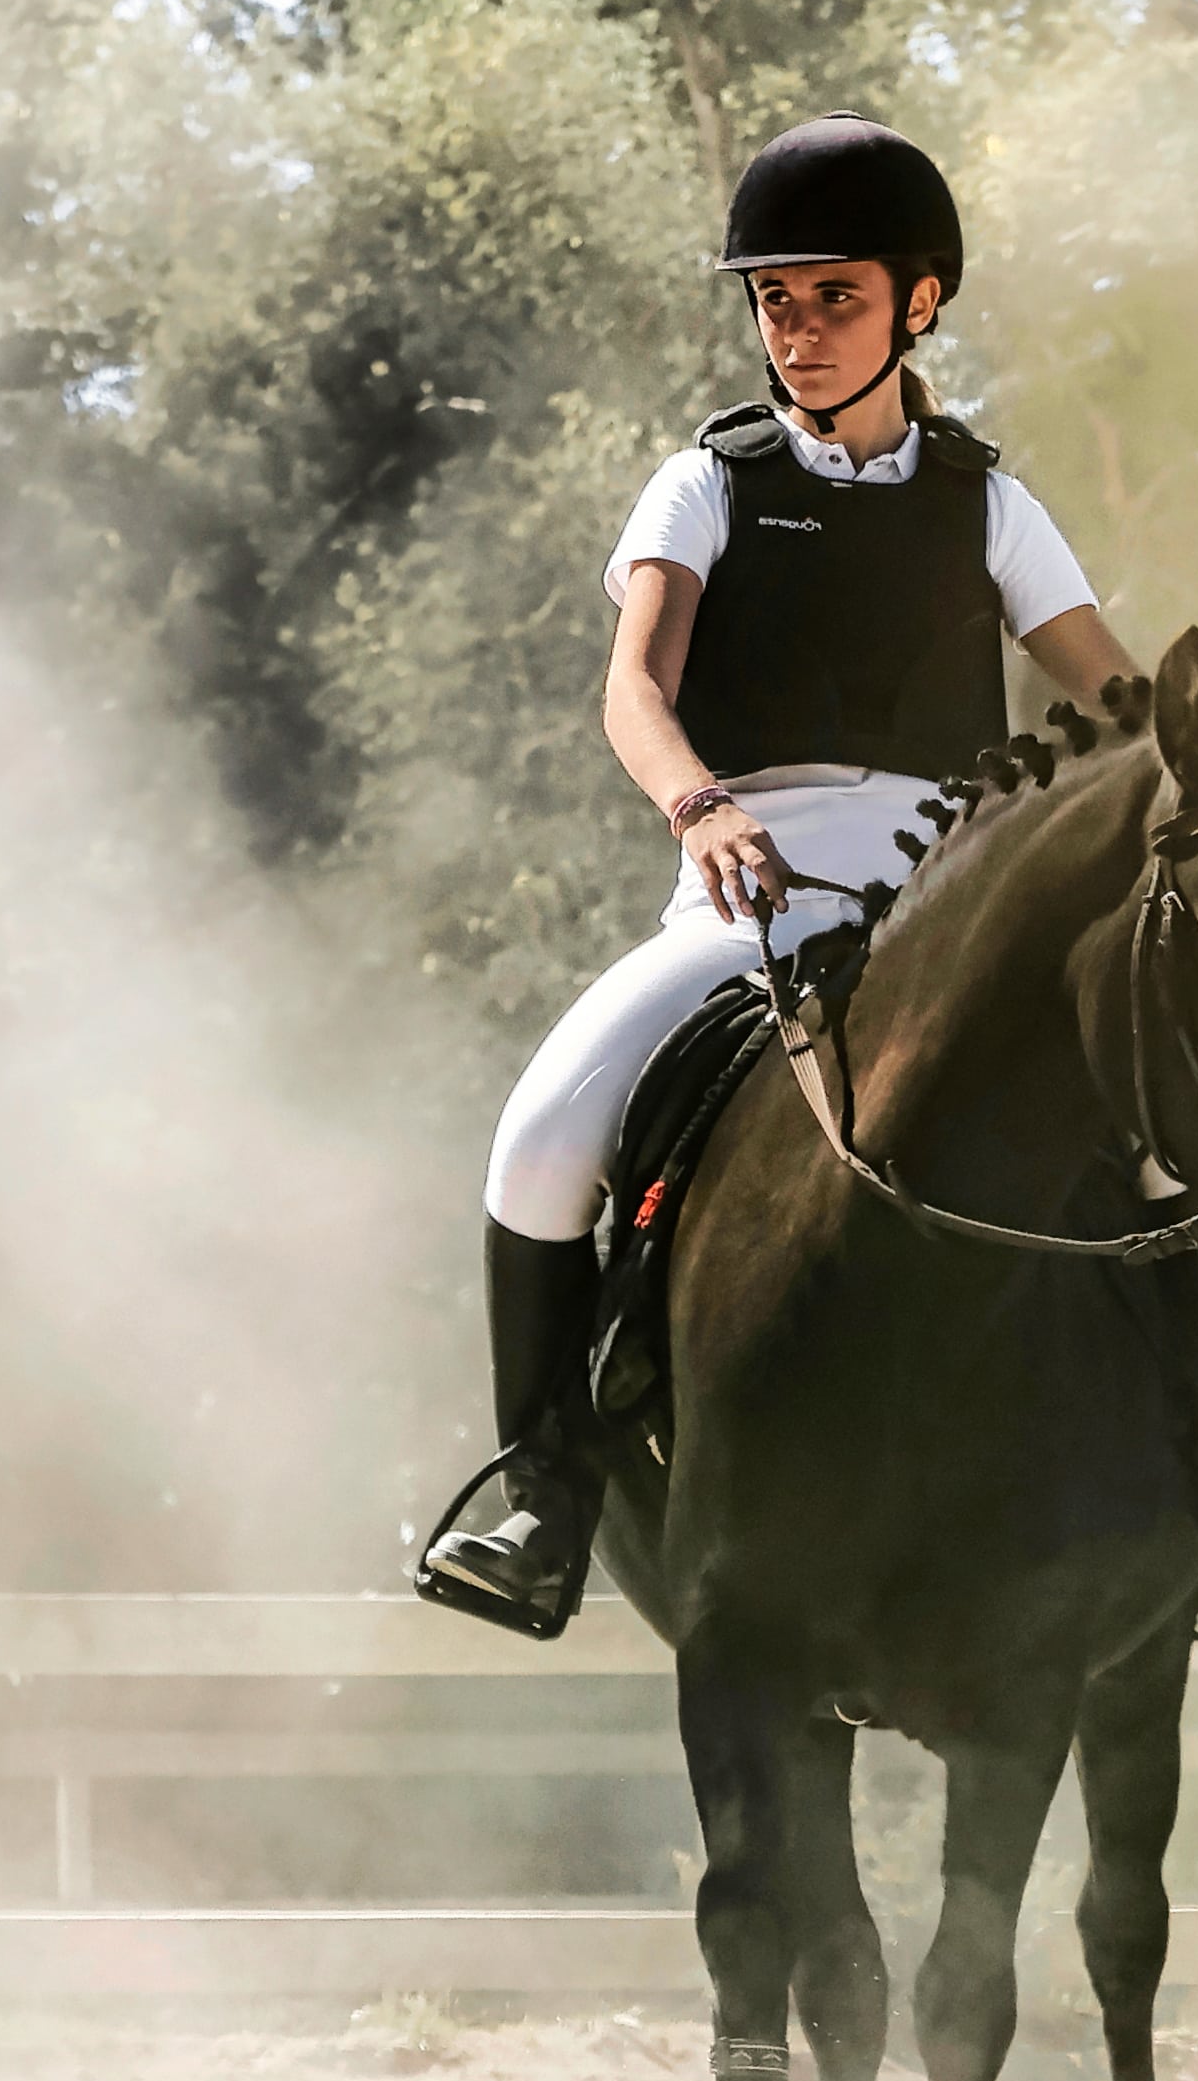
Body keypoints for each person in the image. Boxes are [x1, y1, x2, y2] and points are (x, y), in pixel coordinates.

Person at [417, 113, 1142, 1637]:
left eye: (833, 299)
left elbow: (1115, 702)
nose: (797, 331)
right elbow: (632, 688)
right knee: (542, 1130)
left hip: (949, 900)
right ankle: (543, 1495)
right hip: (749, 897)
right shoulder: (707, 484)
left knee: (1150, 1110)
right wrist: (695, 805)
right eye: (774, 300)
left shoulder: (988, 502)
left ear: (918, 303)